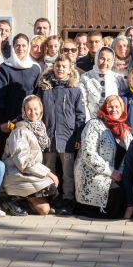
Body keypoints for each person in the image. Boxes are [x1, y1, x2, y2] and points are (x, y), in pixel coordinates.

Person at [38, 55, 86, 215]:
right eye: (57, 66)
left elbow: (80, 115)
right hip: (48, 137)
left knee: (67, 173)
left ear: (70, 69)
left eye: (64, 67)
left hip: (67, 138)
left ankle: (67, 199)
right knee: (48, 170)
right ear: (53, 68)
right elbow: (37, 111)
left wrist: (78, 136)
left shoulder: (75, 91)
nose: (60, 69)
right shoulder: (44, 89)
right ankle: (51, 197)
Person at [74, 95, 132, 219]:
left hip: (116, 175)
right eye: (110, 107)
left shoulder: (125, 130)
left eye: (117, 107)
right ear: (104, 108)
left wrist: (119, 173)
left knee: (128, 189)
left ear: (122, 109)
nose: (113, 109)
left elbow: (127, 157)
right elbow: (88, 154)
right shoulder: (94, 125)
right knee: (117, 194)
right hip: (93, 172)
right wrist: (111, 172)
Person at [0, 95, 60, 216]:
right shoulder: (20, 130)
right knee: (50, 188)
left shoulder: (40, 128)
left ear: (41, 109)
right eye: (29, 109)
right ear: (23, 111)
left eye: (35, 108)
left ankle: (21, 200)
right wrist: (48, 173)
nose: (33, 112)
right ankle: (13, 199)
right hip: (16, 174)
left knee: (44, 210)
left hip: (27, 173)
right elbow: (23, 161)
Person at [0, 33, 41, 131]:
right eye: (17, 45)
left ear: (28, 47)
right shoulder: (5, 67)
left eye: (24, 45)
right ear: (13, 47)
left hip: (30, 114)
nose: (21, 48)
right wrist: (3, 120)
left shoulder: (35, 68)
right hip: (9, 113)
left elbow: (37, 94)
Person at [80, 46, 127, 121]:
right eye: (102, 58)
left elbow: (122, 102)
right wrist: (88, 121)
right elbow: (83, 101)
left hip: (113, 122)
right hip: (91, 122)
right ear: (96, 58)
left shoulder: (117, 78)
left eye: (108, 60)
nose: (105, 63)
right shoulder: (86, 77)